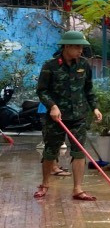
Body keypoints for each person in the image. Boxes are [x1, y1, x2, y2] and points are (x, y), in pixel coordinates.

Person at [34, 31, 103, 200]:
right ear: (67, 47)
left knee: (79, 152)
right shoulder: (50, 65)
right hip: (55, 117)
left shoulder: (84, 65)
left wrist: (94, 107)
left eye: (82, 47)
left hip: (78, 116)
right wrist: (52, 106)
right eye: (78, 47)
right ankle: (44, 184)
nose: (81, 50)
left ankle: (78, 189)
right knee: (50, 151)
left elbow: (88, 89)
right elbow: (42, 91)